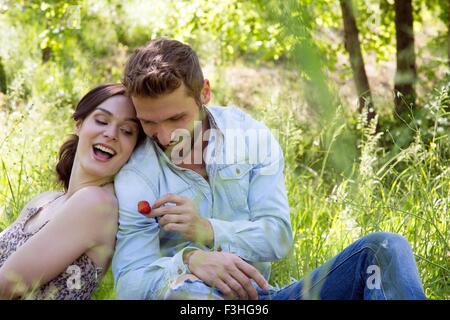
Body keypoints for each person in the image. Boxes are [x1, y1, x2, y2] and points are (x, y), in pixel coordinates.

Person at [112, 38, 426, 300]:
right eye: (148, 122)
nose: (165, 136)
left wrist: (207, 230)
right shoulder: (136, 173)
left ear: (204, 93)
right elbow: (129, 283)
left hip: (262, 297)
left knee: (386, 248)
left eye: (176, 118)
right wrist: (189, 261)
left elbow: (277, 236)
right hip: (191, 298)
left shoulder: (250, 137)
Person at [0, 83, 145, 299]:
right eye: (102, 121)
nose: (111, 134)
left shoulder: (98, 204)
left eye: (126, 131)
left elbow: (7, 284)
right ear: (79, 124)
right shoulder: (44, 201)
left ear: (133, 149)